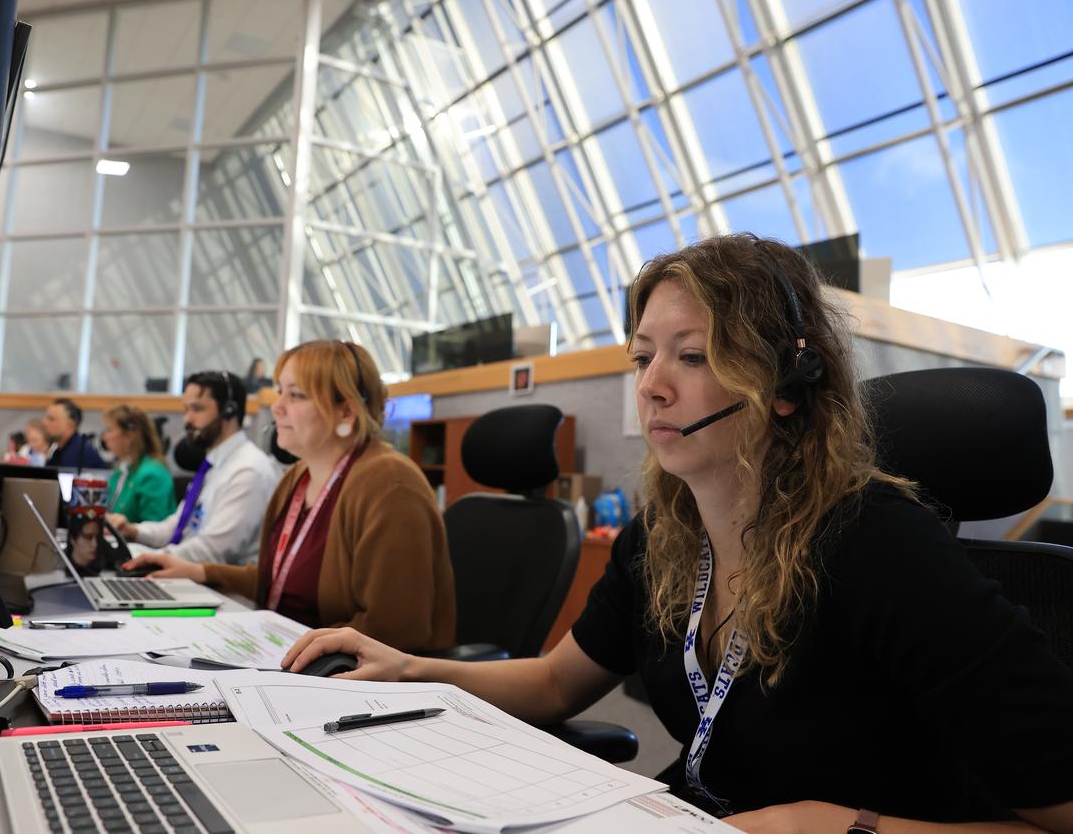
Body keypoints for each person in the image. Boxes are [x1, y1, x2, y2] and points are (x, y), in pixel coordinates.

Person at [276, 235, 1073, 830]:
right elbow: (557, 683)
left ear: (786, 386)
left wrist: (832, 824)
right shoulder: (665, 536)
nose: (651, 387)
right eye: (643, 355)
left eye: (691, 356)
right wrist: (413, 669)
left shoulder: (879, 549)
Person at [126, 341, 456, 652]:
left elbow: (396, 630)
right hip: (286, 652)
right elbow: (280, 581)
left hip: (356, 683)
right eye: (280, 391)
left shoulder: (390, 485)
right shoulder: (299, 476)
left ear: (346, 411)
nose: (277, 406)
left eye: (295, 395)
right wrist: (200, 572)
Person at [107, 371, 279, 565]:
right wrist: (133, 531)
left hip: (223, 591)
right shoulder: (212, 467)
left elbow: (212, 551)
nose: (187, 420)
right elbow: (176, 526)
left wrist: (141, 555)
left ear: (229, 411)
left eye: (197, 409)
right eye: (186, 410)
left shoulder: (248, 471)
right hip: (193, 579)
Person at [100, 405, 176, 524]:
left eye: (109, 430)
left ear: (129, 435)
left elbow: (155, 528)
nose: (104, 437)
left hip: (139, 542)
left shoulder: (152, 474)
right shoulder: (122, 470)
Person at [43, 398, 105, 469]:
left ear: (71, 423)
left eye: (51, 419)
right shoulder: (60, 450)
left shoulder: (80, 454)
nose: (44, 423)